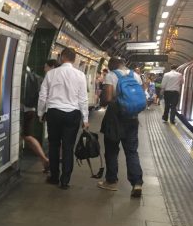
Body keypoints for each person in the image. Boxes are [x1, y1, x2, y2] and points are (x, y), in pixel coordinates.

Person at [37, 48, 88, 189]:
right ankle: (65, 180)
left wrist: (40, 113)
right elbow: (83, 99)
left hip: (53, 112)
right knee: (68, 147)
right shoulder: (80, 75)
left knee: (53, 145)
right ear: (74, 59)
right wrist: (85, 118)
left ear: (61, 57)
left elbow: (43, 96)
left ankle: (54, 177)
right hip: (72, 114)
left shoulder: (51, 74)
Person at [97, 57, 144, 197]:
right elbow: (140, 96)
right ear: (124, 65)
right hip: (133, 118)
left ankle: (111, 181)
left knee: (111, 150)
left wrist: (102, 99)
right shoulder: (135, 75)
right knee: (132, 152)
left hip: (115, 119)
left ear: (112, 66)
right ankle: (137, 183)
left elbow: (107, 99)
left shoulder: (111, 76)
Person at [22, 60, 59, 172]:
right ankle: (46, 160)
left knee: (27, 136)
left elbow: (43, 96)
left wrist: (41, 113)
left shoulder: (24, 73)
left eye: (45, 67)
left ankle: (45, 160)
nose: (44, 69)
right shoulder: (35, 76)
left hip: (25, 109)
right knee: (26, 136)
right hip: (32, 109)